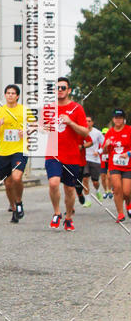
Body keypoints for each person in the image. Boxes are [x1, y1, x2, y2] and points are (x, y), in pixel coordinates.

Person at [44, 77, 89, 231]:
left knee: (69, 189)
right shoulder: (48, 108)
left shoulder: (77, 108)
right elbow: (42, 128)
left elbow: (85, 132)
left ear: (69, 90)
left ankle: (68, 217)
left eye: (63, 88)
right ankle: (57, 213)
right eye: (57, 88)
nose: (60, 90)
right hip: (53, 154)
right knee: (53, 183)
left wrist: (70, 122)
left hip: (71, 156)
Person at [0, 85, 29, 223]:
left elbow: (34, 126)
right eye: (8, 93)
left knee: (16, 177)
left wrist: (26, 131)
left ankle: (19, 202)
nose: (10, 95)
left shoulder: (24, 110)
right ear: (5, 95)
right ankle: (14, 207)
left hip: (20, 149)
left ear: (17, 96)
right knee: (8, 184)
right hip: (4, 151)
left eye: (13, 93)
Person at [102, 109, 131, 223]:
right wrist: (106, 145)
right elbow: (104, 151)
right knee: (117, 188)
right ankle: (120, 214)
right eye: (116, 118)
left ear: (124, 119)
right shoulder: (109, 133)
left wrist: (128, 154)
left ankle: (128, 203)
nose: (118, 120)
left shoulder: (129, 130)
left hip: (128, 166)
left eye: (120, 118)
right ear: (113, 119)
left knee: (127, 192)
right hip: (114, 165)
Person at [81, 114, 102, 202]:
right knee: (85, 179)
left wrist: (99, 152)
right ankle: (87, 199)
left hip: (95, 159)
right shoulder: (81, 131)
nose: (87, 123)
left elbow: (104, 144)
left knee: (95, 182)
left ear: (92, 123)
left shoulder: (97, 133)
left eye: (89, 121)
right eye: (85, 121)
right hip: (84, 158)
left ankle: (97, 190)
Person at [100, 125, 112, 199]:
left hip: (110, 160)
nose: (105, 135)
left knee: (109, 176)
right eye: (103, 134)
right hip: (102, 161)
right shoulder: (100, 141)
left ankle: (110, 190)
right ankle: (106, 191)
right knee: (103, 177)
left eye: (106, 134)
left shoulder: (111, 141)